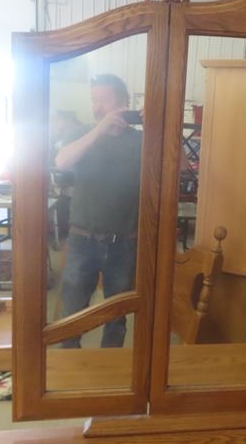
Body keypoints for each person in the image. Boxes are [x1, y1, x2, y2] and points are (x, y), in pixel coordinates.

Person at [55, 73, 142, 348]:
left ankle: (110, 365)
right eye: (94, 100)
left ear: (124, 102)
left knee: (116, 316)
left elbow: (180, 166)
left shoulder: (141, 140)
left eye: (104, 100)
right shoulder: (81, 133)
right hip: (83, 239)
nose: (97, 106)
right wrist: (99, 130)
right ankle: (69, 365)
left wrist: (160, 126)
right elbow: (62, 162)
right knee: (72, 312)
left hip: (124, 242)